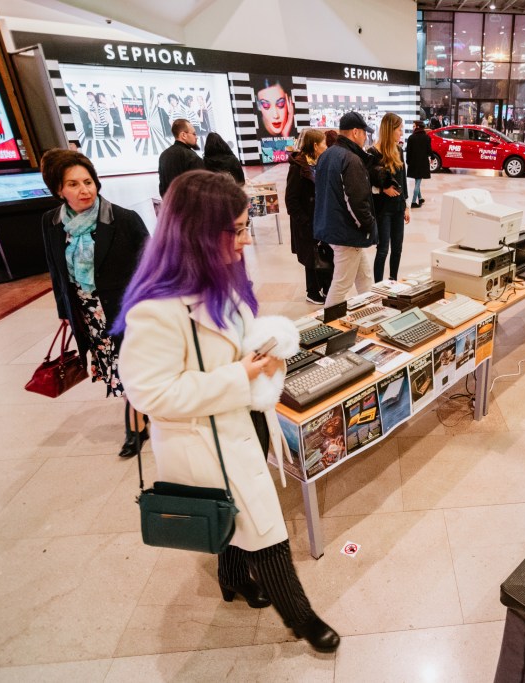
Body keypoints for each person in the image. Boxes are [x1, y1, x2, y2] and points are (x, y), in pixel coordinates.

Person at [115, 170, 340, 654]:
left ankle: (234, 577)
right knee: (267, 529)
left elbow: (238, 341)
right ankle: (302, 620)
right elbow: (150, 393)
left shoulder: (219, 276)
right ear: (198, 232)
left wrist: (268, 350)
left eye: (244, 227)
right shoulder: (156, 309)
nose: (245, 240)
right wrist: (240, 376)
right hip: (206, 441)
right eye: (235, 230)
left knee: (234, 516)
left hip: (244, 422)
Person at [39, 149, 149, 457]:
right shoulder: (52, 222)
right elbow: (56, 270)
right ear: (59, 190)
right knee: (115, 366)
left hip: (126, 310)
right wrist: (64, 311)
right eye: (73, 184)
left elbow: (152, 267)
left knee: (130, 367)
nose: (84, 190)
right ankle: (140, 414)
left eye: (88, 182)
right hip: (88, 314)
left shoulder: (123, 219)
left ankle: (136, 426)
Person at [313, 111, 378, 307]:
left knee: (364, 277)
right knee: (342, 284)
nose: (366, 137)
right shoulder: (351, 159)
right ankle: (328, 321)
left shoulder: (327, 155)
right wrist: (369, 226)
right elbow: (356, 202)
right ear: (355, 132)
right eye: (364, 133)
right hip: (347, 232)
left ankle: (372, 310)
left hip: (333, 227)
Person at [286, 129, 332, 304]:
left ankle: (326, 288)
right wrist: (305, 222)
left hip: (321, 218)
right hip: (308, 222)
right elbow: (291, 200)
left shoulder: (319, 163)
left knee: (323, 253)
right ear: (315, 145)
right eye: (324, 143)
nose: (326, 146)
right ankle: (312, 292)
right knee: (311, 257)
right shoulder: (298, 167)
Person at [367, 113, 410, 282]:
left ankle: (393, 281)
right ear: (389, 130)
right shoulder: (372, 153)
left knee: (397, 248)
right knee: (383, 249)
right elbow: (367, 183)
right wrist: (382, 189)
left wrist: (406, 205)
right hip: (382, 209)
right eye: (399, 129)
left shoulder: (399, 150)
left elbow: (402, 180)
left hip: (398, 207)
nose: (401, 132)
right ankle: (378, 286)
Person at [158, 119, 204, 196]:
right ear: (183, 135)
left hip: (169, 202)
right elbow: (202, 187)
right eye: (194, 134)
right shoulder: (191, 157)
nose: (196, 137)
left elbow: (162, 187)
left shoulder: (163, 155)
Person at [406, 120, 431, 208]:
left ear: (418, 127)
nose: (413, 128)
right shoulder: (426, 137)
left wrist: (408, 161)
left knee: (417, 180)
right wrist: (432, 157)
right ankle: (413, 201)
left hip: (413, 162)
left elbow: (408, 151)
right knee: (418, 182)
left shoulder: (411, 137)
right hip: (422, 163)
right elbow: (429, 150)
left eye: (414, 126)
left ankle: (420, 198)